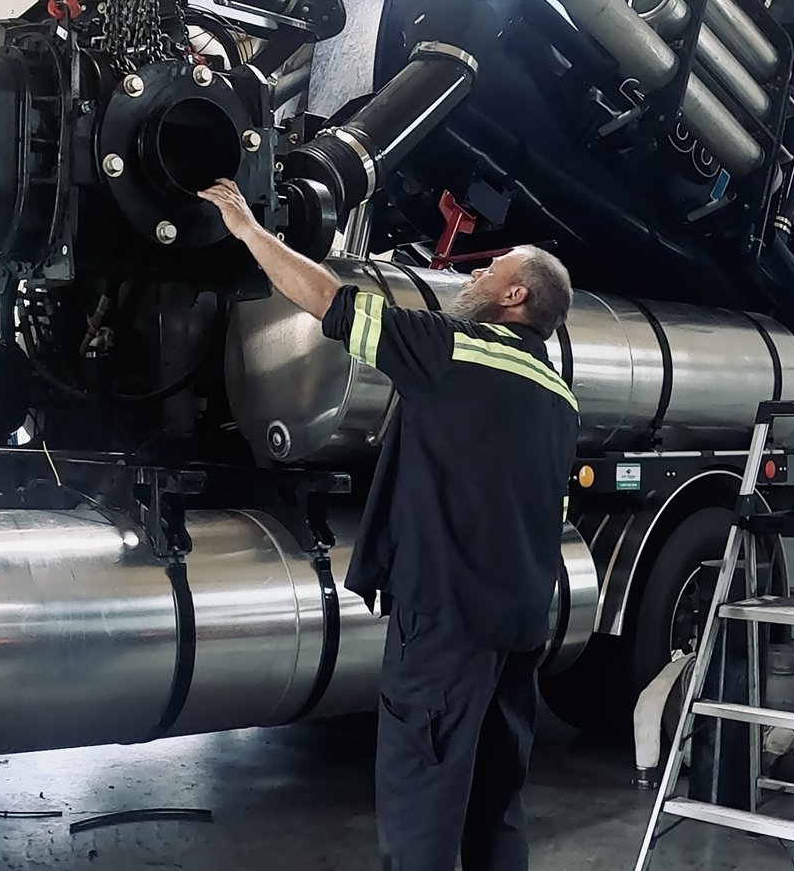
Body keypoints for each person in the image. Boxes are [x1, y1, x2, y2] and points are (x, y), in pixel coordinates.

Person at [196, 179, 578, 871]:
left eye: (493, 269)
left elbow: (327, 301)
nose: (475, 272)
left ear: (516, 296)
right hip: (518, 627)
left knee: (421, 808)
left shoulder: (451, 351)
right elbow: (550, 515)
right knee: (496, 807)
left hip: (444, 626)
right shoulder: (559, 398)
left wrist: (248, 229)